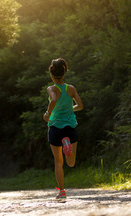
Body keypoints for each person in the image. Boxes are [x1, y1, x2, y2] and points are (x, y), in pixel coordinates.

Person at [43, 58, 83, 200]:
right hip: (70, 127)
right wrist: (70, 109)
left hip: (55, 127)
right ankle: (68, 146)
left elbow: (53, 100)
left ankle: (62, 191)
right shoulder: (71, 88)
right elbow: (80, 106)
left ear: (52, 75)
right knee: (71, 163)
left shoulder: (51, 88)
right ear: (64, 73)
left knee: (58, 162)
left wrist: (48, 114)